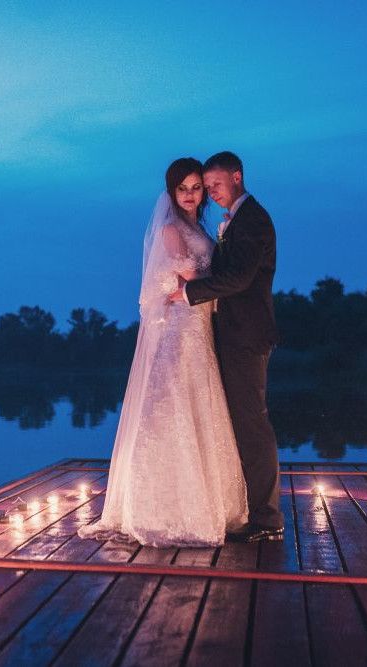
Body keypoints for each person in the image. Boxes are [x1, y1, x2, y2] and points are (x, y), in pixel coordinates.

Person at [77, 158, 248, 547]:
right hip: (181, 326)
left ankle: (210, 503)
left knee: (200, 404)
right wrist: (229, 283)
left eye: (196, 188)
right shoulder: (171, 229)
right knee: (174, 405)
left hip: (199, 324)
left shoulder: (198, 228)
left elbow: (200, 280)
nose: (190, 195)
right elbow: (193, 275)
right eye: (182, 188)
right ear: (171, 192)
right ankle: (165, 510)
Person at [169, 151, 283, 542]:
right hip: (231, 334)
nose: (211, 192)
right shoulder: (235, 219)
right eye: (207, 187)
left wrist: (189, 292)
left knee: (252, 425)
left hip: (247, 336)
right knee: (240, 423)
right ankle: (250, 510)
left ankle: (267, 520)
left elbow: (239, 279)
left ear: (237, 177)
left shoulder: (252, 219)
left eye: (215, 184)